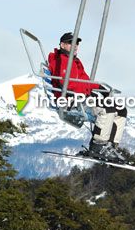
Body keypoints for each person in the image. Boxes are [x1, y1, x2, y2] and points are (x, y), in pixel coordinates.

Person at [48, 32, 128, 163]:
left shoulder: (75, 62)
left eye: (77, 44)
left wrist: (100, 88)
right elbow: (67, 83)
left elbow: (85, 80)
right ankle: (99, 145)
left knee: (121, 110)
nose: (75, 47)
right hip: (70, 100)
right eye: (71, 43)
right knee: (107, 108)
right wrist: (89, 94)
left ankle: (111, 145)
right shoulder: (60, 61)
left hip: (81, 97)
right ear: (62, 45)